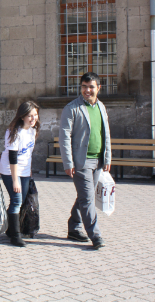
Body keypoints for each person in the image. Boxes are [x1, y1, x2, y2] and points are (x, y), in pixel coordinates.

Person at [59, 72, 112, 250]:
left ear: (98, 88)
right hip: (81, 161)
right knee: (88, 199)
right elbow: (64, 137)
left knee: (84, 197)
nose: (87, 90)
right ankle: (95, 236)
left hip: (98, 160)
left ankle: (74, 227)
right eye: (84, 86)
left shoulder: (101, 107)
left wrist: (107, 157)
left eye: (91, 87)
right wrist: (68, 163)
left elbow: (106, 134)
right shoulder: (72, 108)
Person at [0, 100, 40, 247]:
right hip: (10, 170)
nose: (33, 118)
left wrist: (29, 172)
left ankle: (10, 229)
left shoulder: (33, 131)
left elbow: (28, 154)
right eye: (30, 115)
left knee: (21, 201)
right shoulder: (13, 131)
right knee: (16, 199)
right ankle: (15, 236)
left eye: (35, 115)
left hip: (24, 171)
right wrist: (15, 180)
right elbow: (13, 157)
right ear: (22, 116)